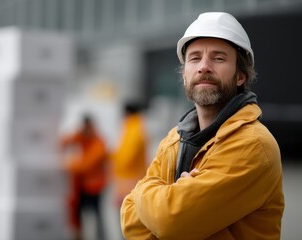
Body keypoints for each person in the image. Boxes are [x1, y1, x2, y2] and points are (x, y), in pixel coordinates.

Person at [120, 12, 285, 240]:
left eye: (218, 58)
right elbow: (128, 222)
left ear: (240, 76)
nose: (204, 67)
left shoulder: (254, 145)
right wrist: (168, 200)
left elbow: (171, 222)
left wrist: (143, 191)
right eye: (195, 58)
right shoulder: (174, 140)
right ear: (185, 74)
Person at [59, 114, 107, 240]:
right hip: (82, 185)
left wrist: (66, 165)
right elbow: (64, 141)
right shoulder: (83, 137)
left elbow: (85, 165)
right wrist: (76, 134)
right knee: (78, 216)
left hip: (94, 187)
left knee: (94, 216)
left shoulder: (99, 143)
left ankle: (98, 236)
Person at [110, 102, 148, 208]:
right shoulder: (134, 127)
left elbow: (126, 158)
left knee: (127, 217)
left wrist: (112, 158)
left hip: (129, 183)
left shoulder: (134, 130)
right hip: (130, 181)